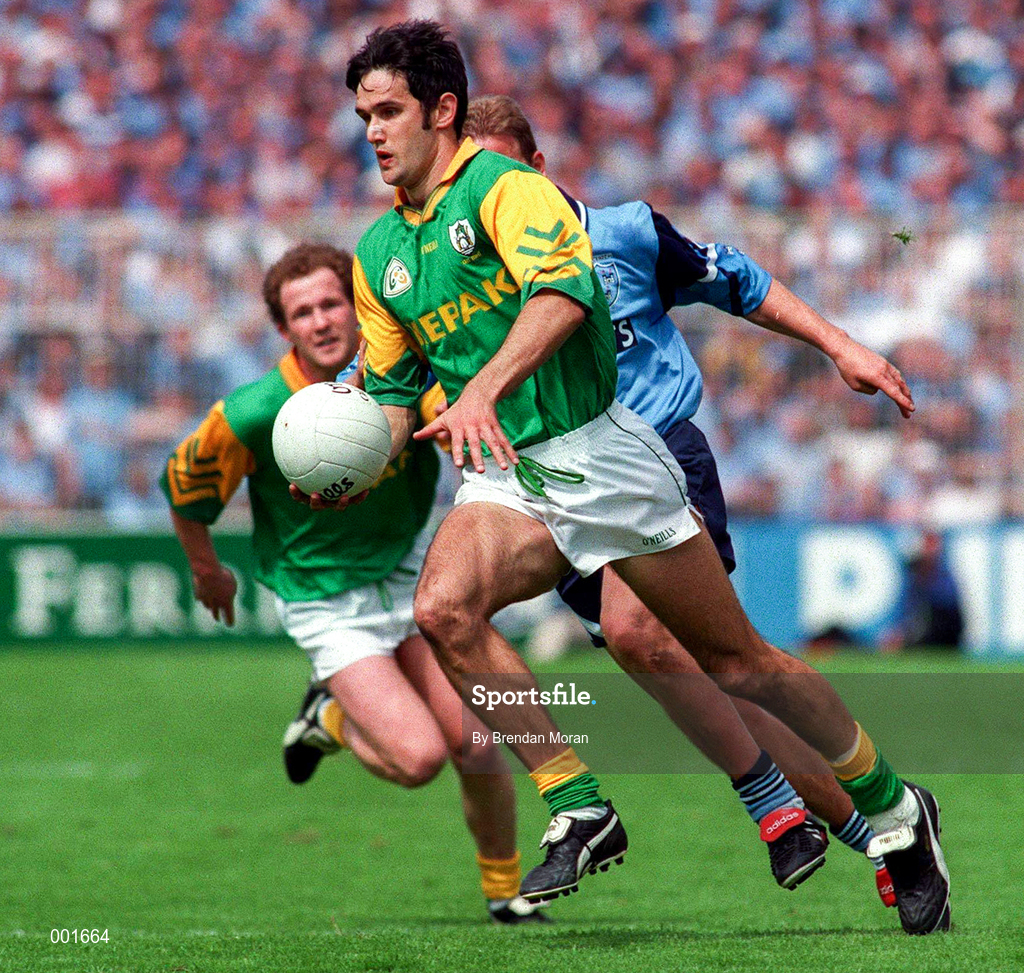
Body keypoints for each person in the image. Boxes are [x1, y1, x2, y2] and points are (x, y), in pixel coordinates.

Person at [338, 20, 949, 935]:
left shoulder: (521, 196)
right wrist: (354, 464)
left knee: (737, 660)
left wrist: (841, 345)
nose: (375, 131)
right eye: (364, 116)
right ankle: (583, 803)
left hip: (614, 453)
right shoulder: (381, 253)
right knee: (444, 611)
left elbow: (567, 293)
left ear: (444, 113)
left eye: (389, 111)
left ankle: (894, 810)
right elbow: (389, 395)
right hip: (513, 472)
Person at [461, 93, 902, 907]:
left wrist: (843, 345)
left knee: (647, 636)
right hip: (560, 487)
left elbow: (737, 280)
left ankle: (772, 809)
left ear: (536, 167)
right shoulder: (472, 279)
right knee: (717, 680)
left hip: (658, 452)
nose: (485, 194)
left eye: (497, 171)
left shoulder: (623, 233)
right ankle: (883, 832)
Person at [160, 242, 547, 925]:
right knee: (420, 756)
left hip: (409, 571)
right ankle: (327, 716)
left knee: (479, 742)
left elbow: (465, 420)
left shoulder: (407, 378)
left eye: (331, 302)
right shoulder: (252, 412)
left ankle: (506, 892)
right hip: (327, 600)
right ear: (284, 329)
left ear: (357, 305)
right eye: (301, 311)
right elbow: (185, 491)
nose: (319, 320)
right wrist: (206, 570)